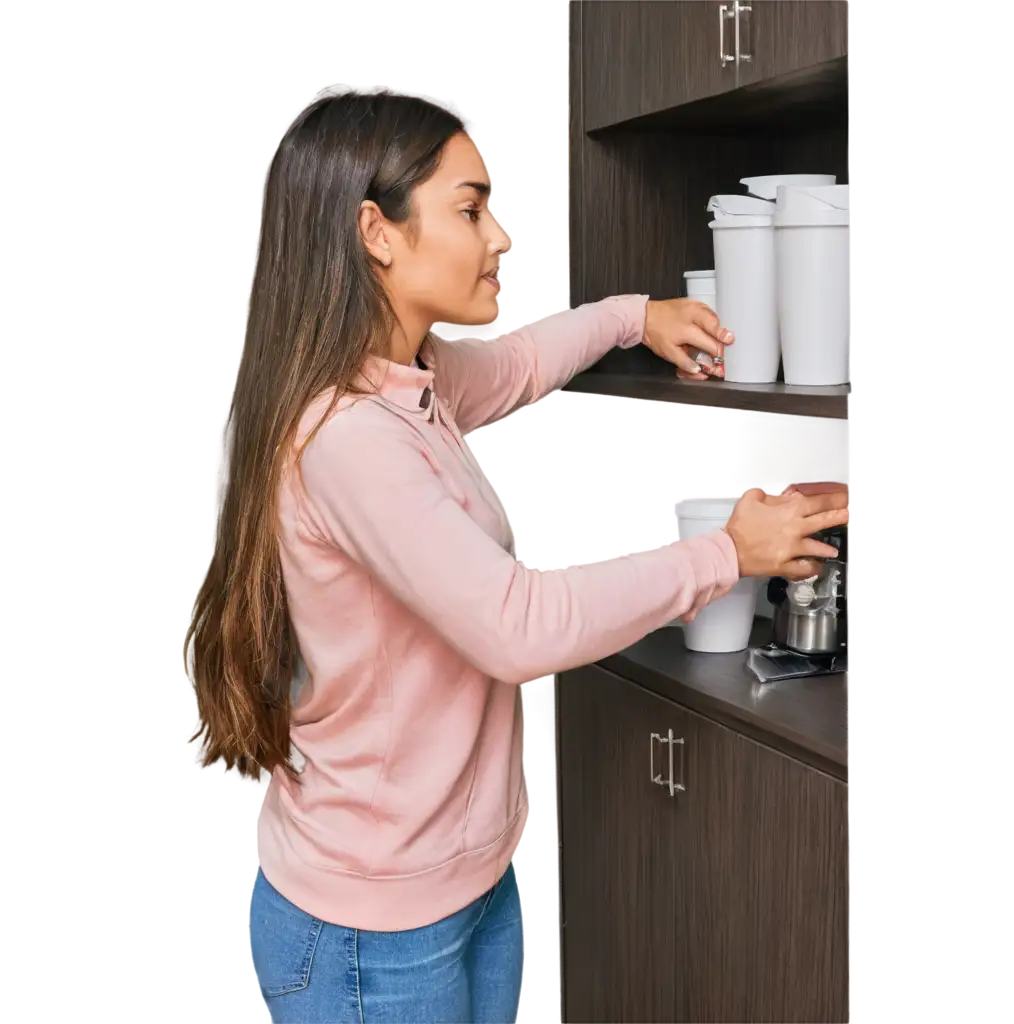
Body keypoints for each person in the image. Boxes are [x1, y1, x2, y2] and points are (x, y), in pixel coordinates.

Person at [184, 93, 850, 1024]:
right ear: (376, 232)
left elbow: (525, 360)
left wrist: (634, 316)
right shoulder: (346, 438)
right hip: (370, 935)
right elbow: (514, 625)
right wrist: (723, 554)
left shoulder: (412, 384)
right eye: (469, 208)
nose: (498, 237)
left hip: (465, 885)